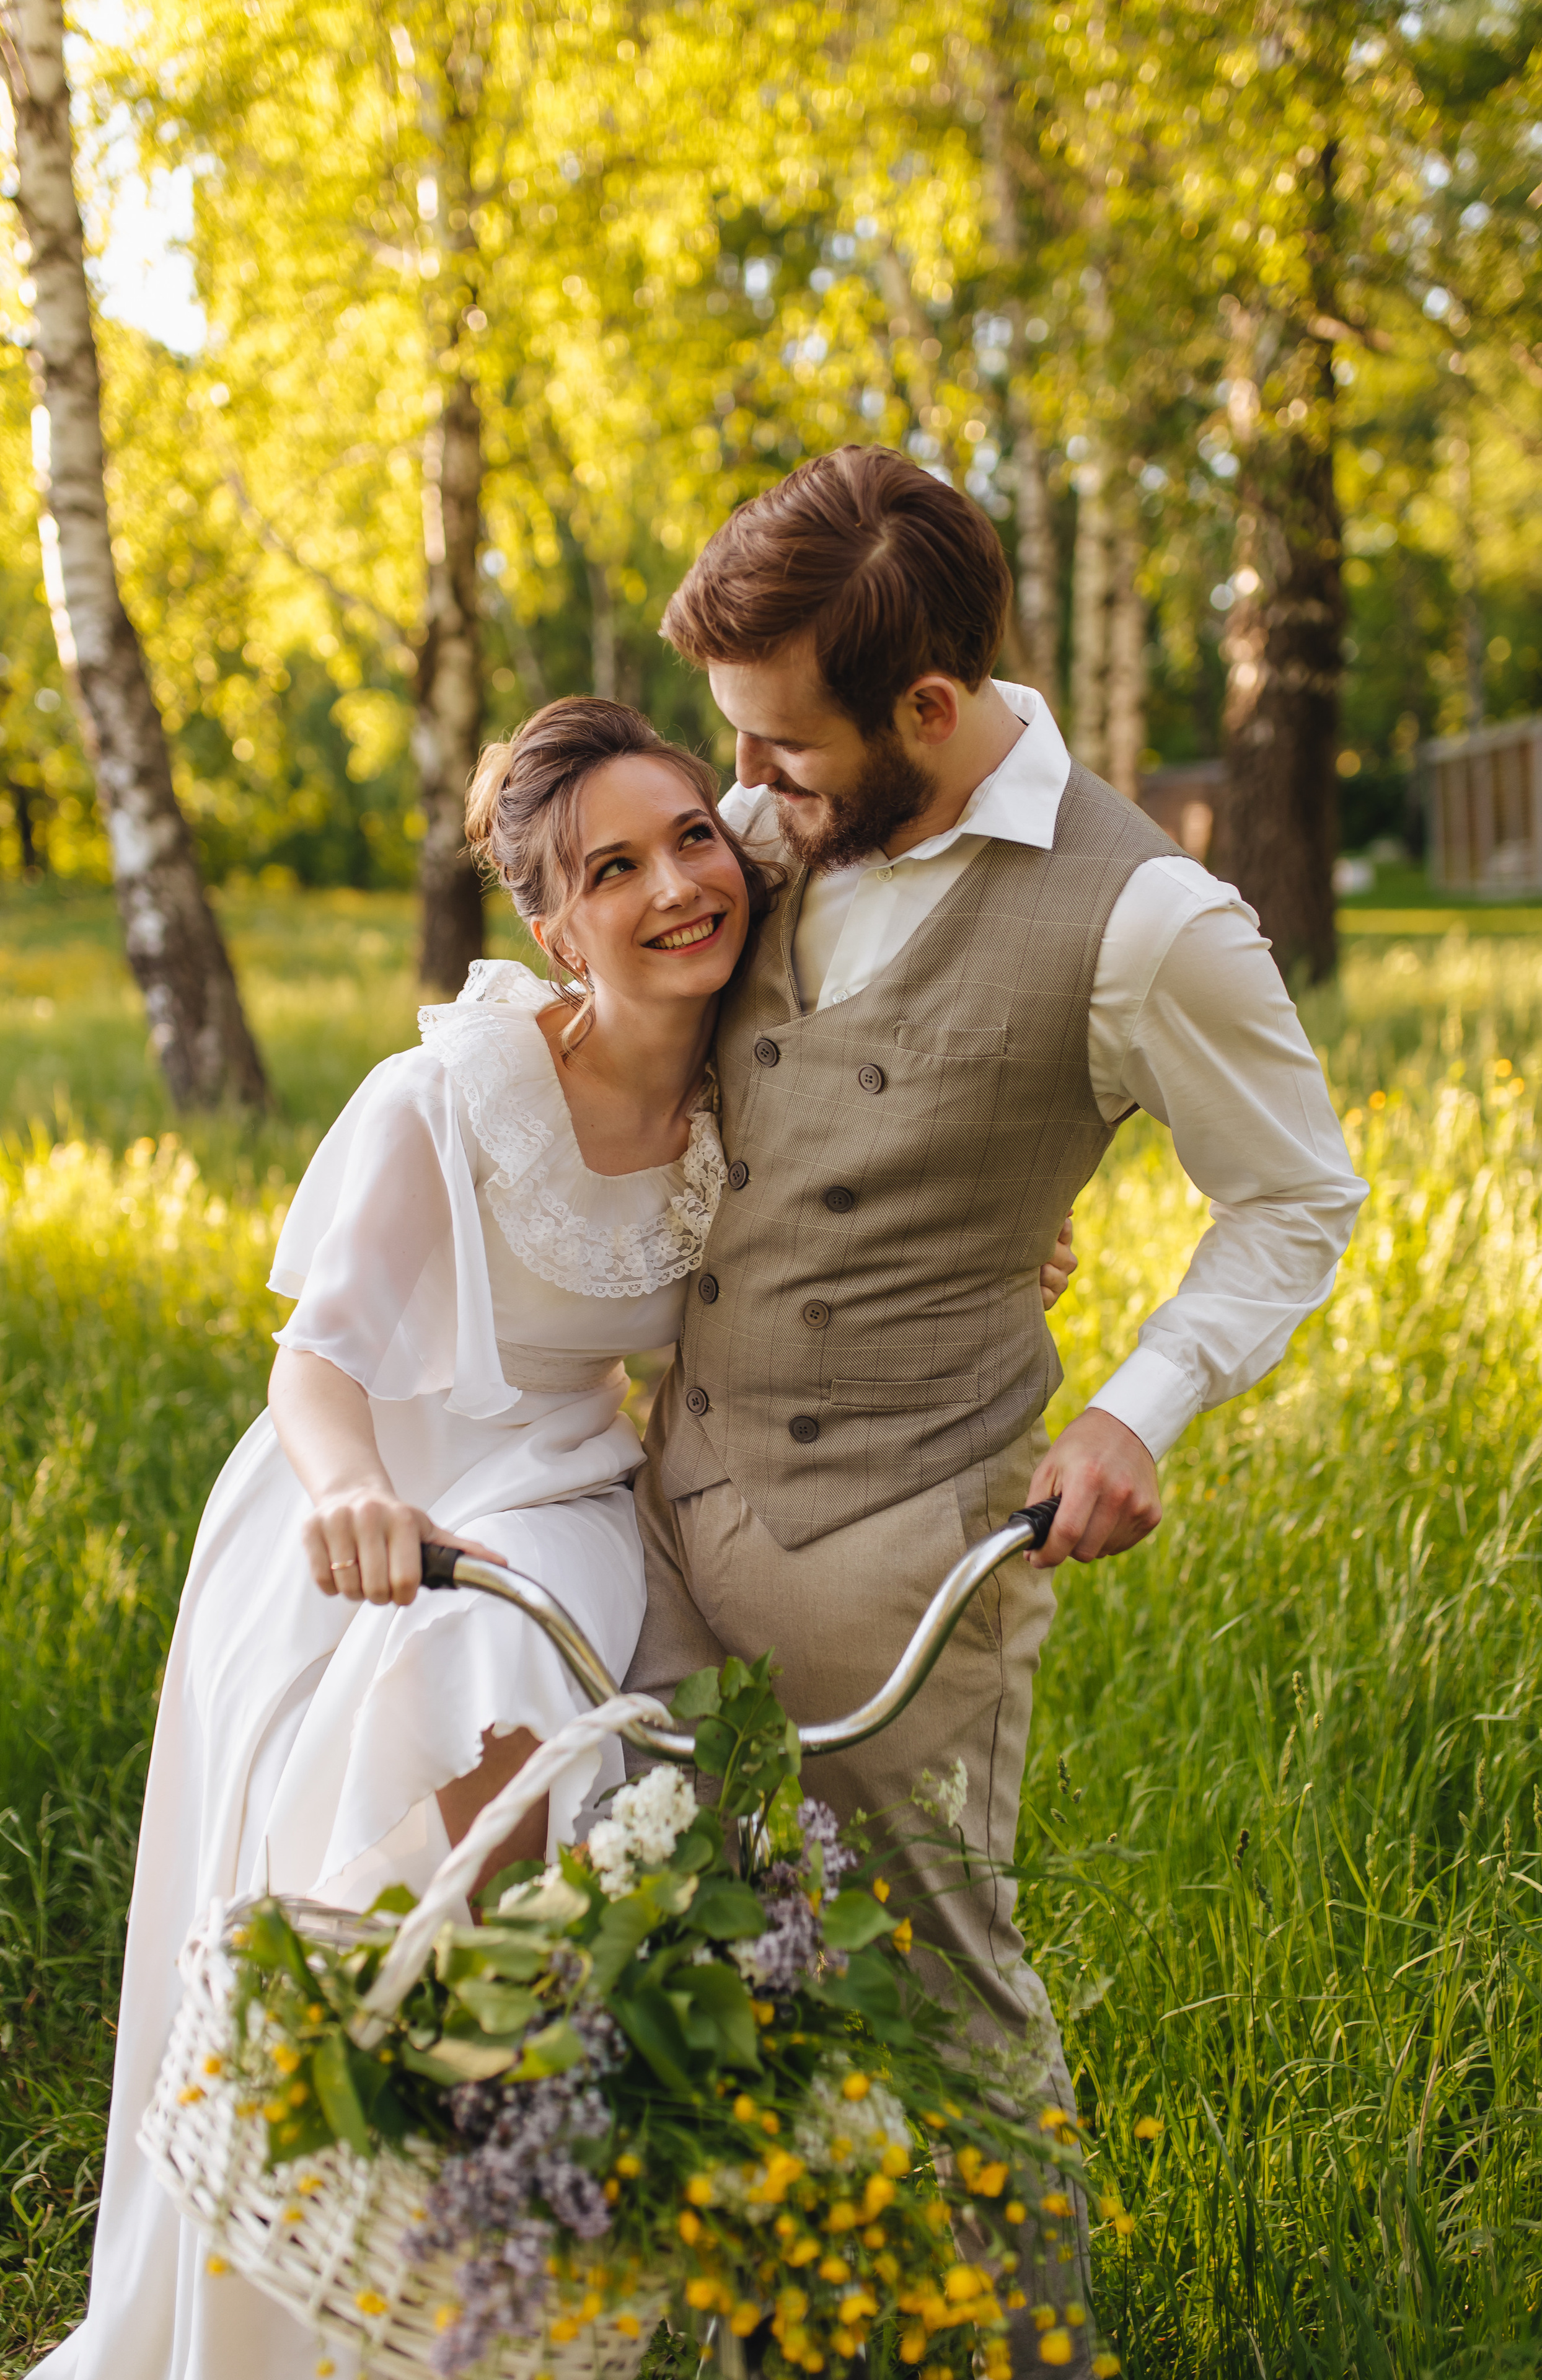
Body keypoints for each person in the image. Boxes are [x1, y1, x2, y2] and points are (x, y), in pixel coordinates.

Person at [35, 689, 1082, 2380]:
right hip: (389, 1480)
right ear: (549, 922)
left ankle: (537, 2150)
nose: (677, 884)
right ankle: (369, 2107)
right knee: (465, 1666)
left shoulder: (755, 1094)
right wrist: (354, 1498)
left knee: (630, 1736)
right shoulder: (447, 1097)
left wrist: (984, 1265)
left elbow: (850, 1254)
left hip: (578, 1477)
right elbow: (317, 1363)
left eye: (690, 838)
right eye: (613, 869)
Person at [624, 446, 1367, 2373]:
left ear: (928, 712)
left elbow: (1298, 1199)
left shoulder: (1148, 921)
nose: (742, 796)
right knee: (694, 1957)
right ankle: (762, 2325)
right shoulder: (792, 819)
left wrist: (1135, 1406)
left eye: (779, 754)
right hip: (667, 1498)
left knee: (941, 2002)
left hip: (910, 1550)